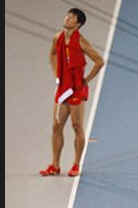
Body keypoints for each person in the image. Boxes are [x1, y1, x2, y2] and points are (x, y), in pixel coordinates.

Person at [39, 8, 104, 178]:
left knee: (77, 126)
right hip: (63, 89)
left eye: (72, 17)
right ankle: (55, 165)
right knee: (56, 127)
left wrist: (87, 80)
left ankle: (76, 164)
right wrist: (57, 74)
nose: (67, 18)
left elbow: (99, 61)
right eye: (67, 15)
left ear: (78, 24)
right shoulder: (57, 37)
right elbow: (53, 54)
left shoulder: (81, 42)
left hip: (76, 90)